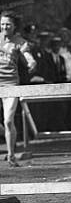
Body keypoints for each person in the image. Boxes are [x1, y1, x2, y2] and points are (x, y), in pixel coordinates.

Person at [0, 11, 37, 167]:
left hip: (10, 84)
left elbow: (27, 55)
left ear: (14, 26)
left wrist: (31, 62)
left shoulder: (20, 42)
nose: (4, 27)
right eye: (2, 24)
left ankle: (11, 154)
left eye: (8, 24)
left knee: (8, 120)